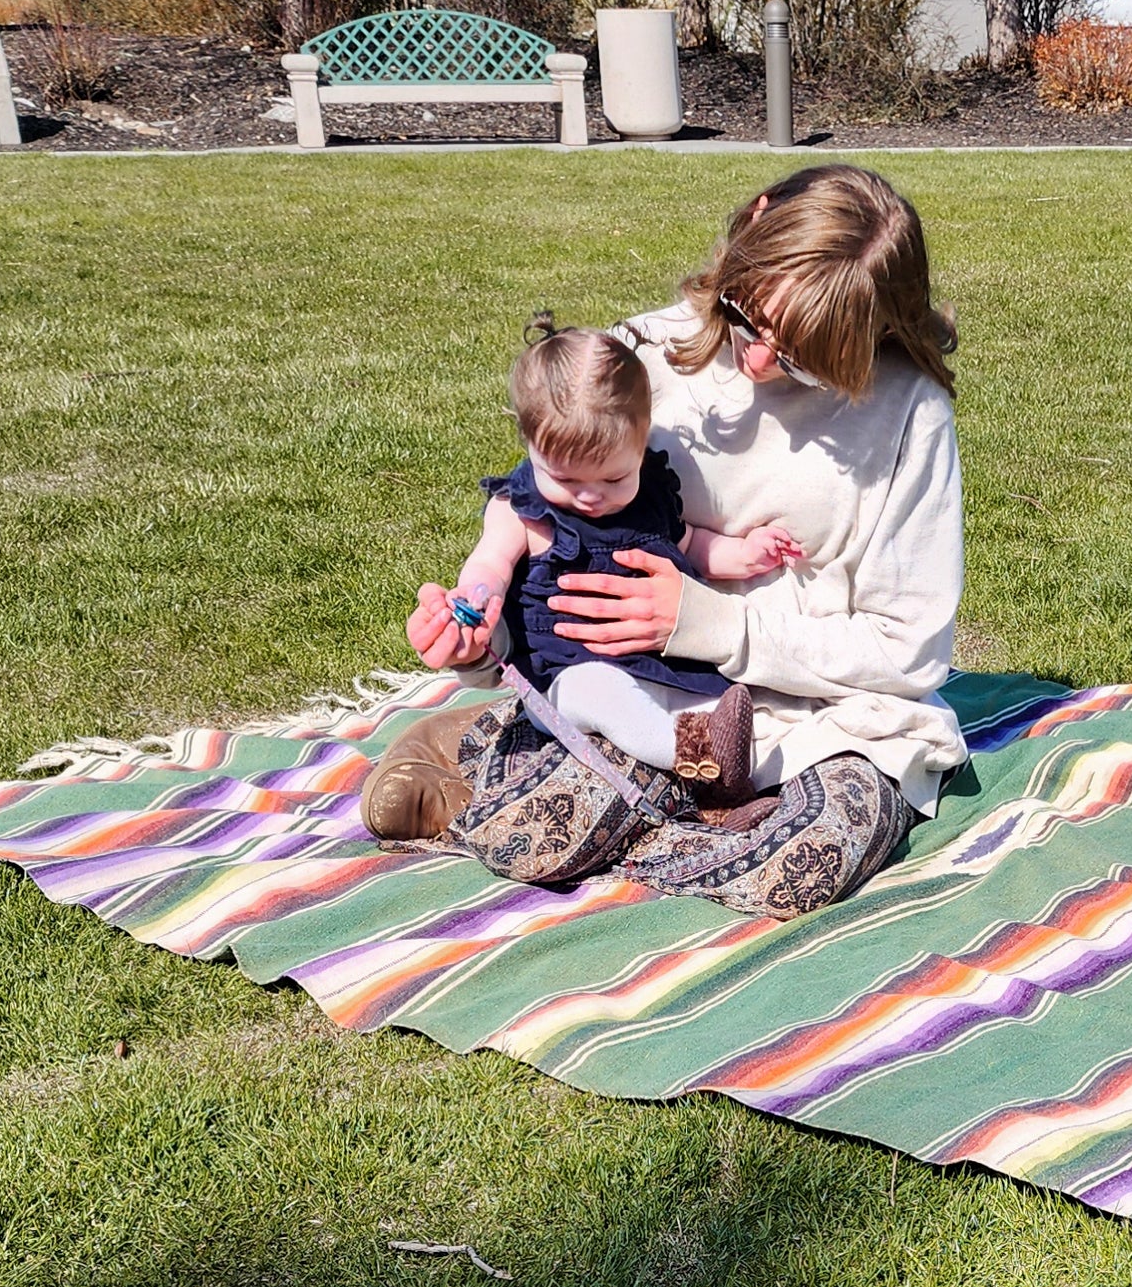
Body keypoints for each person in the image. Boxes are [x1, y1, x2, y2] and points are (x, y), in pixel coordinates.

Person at [363, 163, 967, 920]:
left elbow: (909, 653)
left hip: (826, 715)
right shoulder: (637, 358)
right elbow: (547, 544)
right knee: (539, 837)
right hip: (643, 695)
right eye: (751, 322)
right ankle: (515, 745)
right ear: (752, 224)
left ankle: (507, 766)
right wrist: (483, 643)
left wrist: (707, 621)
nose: (757, 362)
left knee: (804, 865)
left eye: (804, 359)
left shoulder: (911, 415)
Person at [420, 320, 801, 805]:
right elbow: (489, 566)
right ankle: (697, 757)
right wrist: (475, 600)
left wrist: (747, 552)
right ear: (530, 447)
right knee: (599, 692)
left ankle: (717, 790)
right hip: (567, 679)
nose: (590, 497)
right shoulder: (521, 512)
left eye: (615, 478)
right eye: (564, 479)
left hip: (665, 667)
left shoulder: (651, 496)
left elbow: (691, 547)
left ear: (642, 446)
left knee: (722, 701)